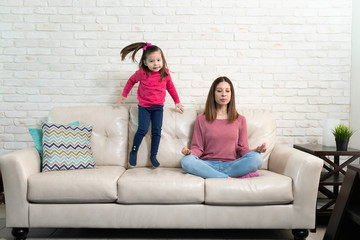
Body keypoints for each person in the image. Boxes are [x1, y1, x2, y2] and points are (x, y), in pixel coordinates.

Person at [181, 76, 266, 178]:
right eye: (219, 91)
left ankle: (214, 176)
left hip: (231, 164)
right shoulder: (201, 119)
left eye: (227, 91)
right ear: (213, 94)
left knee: (257, 158)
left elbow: (242, 149)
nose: (224, 94)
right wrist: (190, 153)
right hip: (207, 164)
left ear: (231, 94)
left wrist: (255, 151)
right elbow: (197, 148)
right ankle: (227, 177)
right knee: (186, 161)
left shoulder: (240, 119)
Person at [117, 42, 184, 167]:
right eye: (152, 61)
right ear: (145, 62)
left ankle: (153, 155)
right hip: (144, 107)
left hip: (158, 108)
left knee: (156, 132)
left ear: (163, 60)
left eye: (158, 60)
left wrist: (177, 101)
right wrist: (124, 94)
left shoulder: (165, 73)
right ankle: (134, 151)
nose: (156, 64)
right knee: (142, 129)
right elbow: (131, 81)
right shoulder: (142, 73)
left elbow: (171, 87)